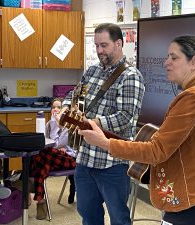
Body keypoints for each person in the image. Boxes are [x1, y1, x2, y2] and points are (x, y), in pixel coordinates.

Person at [79, 35, 195, 225]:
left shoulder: (194, 97)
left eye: (174, 58)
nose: (166, 62)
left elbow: (155, 151)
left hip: (189, 195)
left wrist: (104, 142)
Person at [60, 23, 145, 225]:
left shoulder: (131, 77)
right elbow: (75, 95)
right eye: (96, 45)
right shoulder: (91, 71)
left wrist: (93, 123)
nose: (99, 51)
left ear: (119, 44)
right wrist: (65, 107)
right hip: (85, 159)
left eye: (104, 45)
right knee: (88, 216)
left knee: (118, 218)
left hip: (112, 163)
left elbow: (126, 117)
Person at [29, 98, 76, 220]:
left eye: (59, 107)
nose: (55, 110)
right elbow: (44, 142)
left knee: (39, 155)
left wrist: (67, 150)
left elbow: (78, 148)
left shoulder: (72, 125)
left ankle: (26, 183)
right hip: (51, 159)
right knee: (41, 157)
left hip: (69, 159)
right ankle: (40, 201)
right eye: (53, 107)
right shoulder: (49, 124)